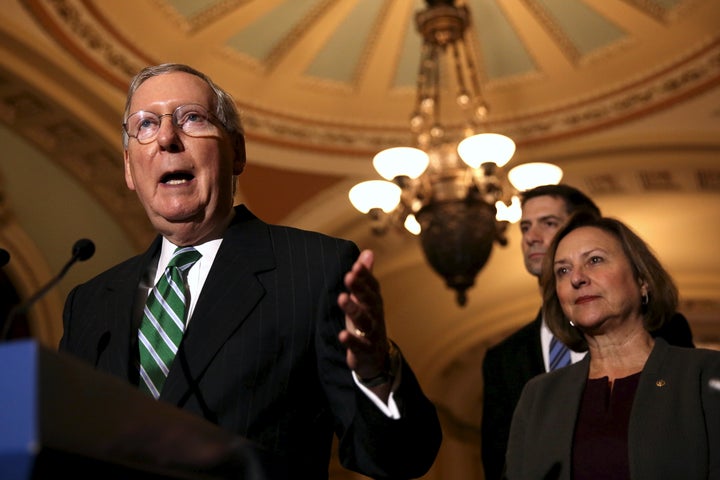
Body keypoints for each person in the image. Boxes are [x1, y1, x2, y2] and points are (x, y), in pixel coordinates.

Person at [58, 63, 442, 479]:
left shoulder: (313, 269)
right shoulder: (90, 302)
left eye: (192, 118)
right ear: (130, 168)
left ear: (237, 152)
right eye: (146, 124)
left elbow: (400, 458)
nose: (167, 138)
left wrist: (377, 370)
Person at [480, 184, 694, 480]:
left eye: (549, 223)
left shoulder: (689, 361)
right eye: (525, 227)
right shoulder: (511, 367)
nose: (531, 237)